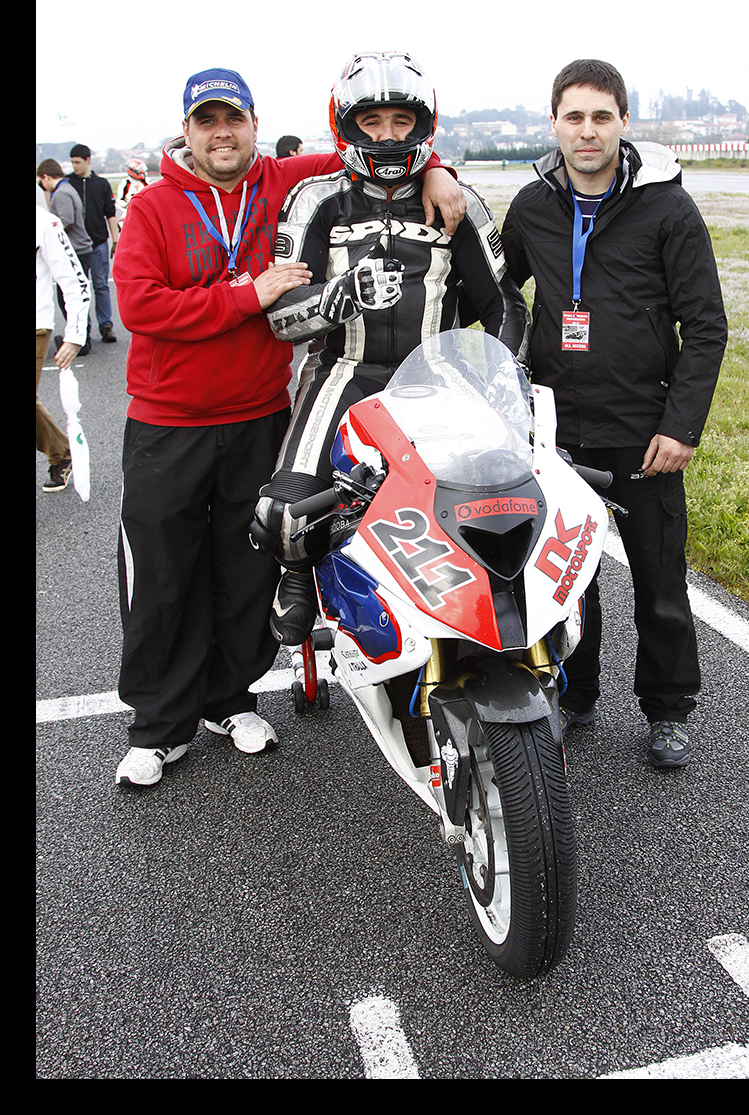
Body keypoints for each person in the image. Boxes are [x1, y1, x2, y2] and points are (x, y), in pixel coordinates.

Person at [111, 66, 466, 788]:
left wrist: (440, 170)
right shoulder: (153, 207)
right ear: (187, 130)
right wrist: (246, 294)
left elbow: (377, 146)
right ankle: (157, 728)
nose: (221, 134)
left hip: (259, 416)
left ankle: (229, 700)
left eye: (232, 120)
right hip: (168, 423)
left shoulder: (283, 180)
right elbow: (142, 308)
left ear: (251, 124)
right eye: (206, 122)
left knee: (247, 569)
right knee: (163, 579)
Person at [250, 50, 531, 647]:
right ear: (345, 124)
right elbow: (279, 319)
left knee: (491, 501)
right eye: (372, 121)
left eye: (401, 121)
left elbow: (504, 305)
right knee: (283, 516)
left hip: (434, 381)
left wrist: (509, 378)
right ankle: (298, 575)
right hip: (340, 373)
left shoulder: (460, 198)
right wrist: (338, 297)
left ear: (424, 124)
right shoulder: (313, 200)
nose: (387, 134)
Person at [501, 58, 727, 770]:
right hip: (557, 431)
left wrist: (681, 426)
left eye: (602, 116)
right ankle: (575, 695)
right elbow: (500, 289)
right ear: (554, 123)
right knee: (565, 581)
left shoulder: (668, 208)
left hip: (645, 433)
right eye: (575, 117)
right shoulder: (532, 205)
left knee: (660, 585)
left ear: (624, 122)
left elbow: (707, 326)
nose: (588, 131)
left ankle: (667, 712)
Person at [36, 205, 91, 491]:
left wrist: (74, 335)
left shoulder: (45, 223)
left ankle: (62, 453)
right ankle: (61, 451)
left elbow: (75, 281)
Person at [37, 159, 94, 354]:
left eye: (41, 182)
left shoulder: (60, 194)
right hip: (80, 246)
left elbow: (66, 220)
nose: (41, 187)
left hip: (75, 247)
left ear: (46, 176)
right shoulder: (68, 188)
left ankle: (82, 338)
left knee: (67, 295)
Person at [68, 144, 120, 343]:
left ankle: (106, 325)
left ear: (87, 160)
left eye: (77, 162)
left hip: (98, 242)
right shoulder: (67, 183)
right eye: (72, 162)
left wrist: (115, 239)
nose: (74, 166)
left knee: (101, 285)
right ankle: (82, 328)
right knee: (79, 288)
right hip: (75, 246)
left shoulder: (101, 184)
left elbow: (111, 214)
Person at [114, 157, 149, 228]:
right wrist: (126, 204)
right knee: (123, 224)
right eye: (140, 170)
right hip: (131, 210)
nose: (142, 172)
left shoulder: (147, 181)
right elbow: (119, 199)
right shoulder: (125, 182)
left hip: (146, 210)